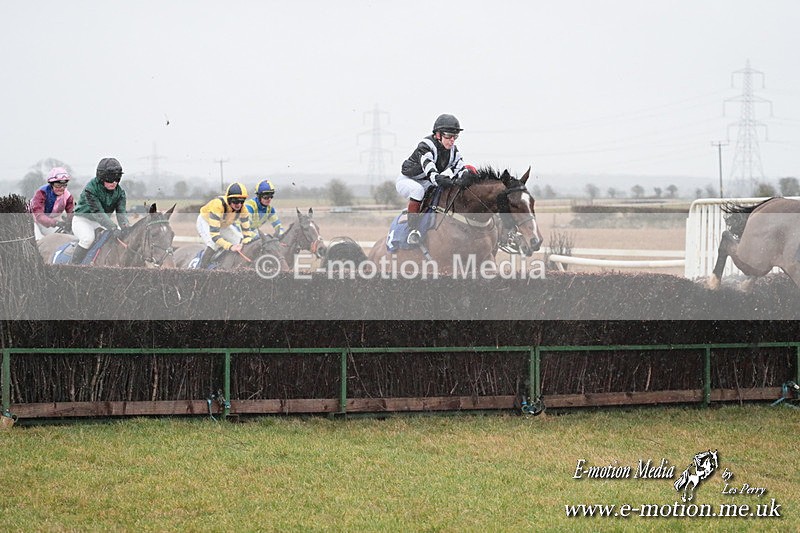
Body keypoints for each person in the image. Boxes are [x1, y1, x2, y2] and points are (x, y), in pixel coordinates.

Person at [396, 113, 472, 245]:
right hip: (408, 180)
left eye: (455, 136)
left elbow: (461, 168)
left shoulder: (453, 151)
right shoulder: (425, 147)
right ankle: (412, 230)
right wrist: (450, 181)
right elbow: (433, 175)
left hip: (426, 181)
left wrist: (466, 177)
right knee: (418, 191)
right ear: (438, 135)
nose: (452, 140)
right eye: (448, 136)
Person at [71, 158, 129, 264]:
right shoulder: (91, 189)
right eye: (110, 179)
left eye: (117, 178)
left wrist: (126, 227)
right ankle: (72, 267)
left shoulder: (120, 193)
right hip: (82, 221)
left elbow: (122, 213)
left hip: (100, 223)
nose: (114, 182)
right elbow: (98, 213)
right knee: (87, 239)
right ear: (101, 178)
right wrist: (113, 227)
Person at [196, 181, 256, 268]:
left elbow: (246, 234)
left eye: (242, 201)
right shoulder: (217, 205)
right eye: (235, 201)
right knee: (213, 245)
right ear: (229, 199)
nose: (239, 204)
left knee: (239, 241)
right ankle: (200, 271)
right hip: (205, 222)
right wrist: (230, 246)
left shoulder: (243, 209)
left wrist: (246, 241)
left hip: (222, 224)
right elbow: (215, 236)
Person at [30, 167, 75, 240]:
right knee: (38, 241)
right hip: (33, 221)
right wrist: (56, 223)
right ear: (51, 184)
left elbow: (71, 213)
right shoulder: (41, 193)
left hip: (49, 221)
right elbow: (39, 216)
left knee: (59, 239)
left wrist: (69, 222)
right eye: (58, 185)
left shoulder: (68, 196)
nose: (61, 188)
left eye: (64, 185)